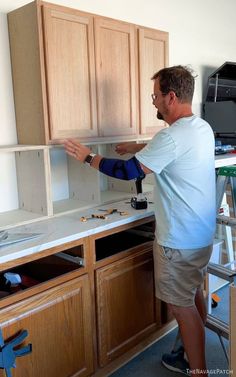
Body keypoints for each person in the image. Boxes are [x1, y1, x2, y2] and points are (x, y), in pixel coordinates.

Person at [63, 65, 216, 377]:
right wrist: (137, 147)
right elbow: (170, 148)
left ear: (171, 97)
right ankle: (191, 352)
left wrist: (87, 157)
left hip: (179, 242)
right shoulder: (201, 128)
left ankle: (198, 369)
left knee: (181, 309)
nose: (154, 102)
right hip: (200, 236)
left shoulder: (171, 138)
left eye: (156, 96)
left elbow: (127, 172)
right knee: (193, 294)